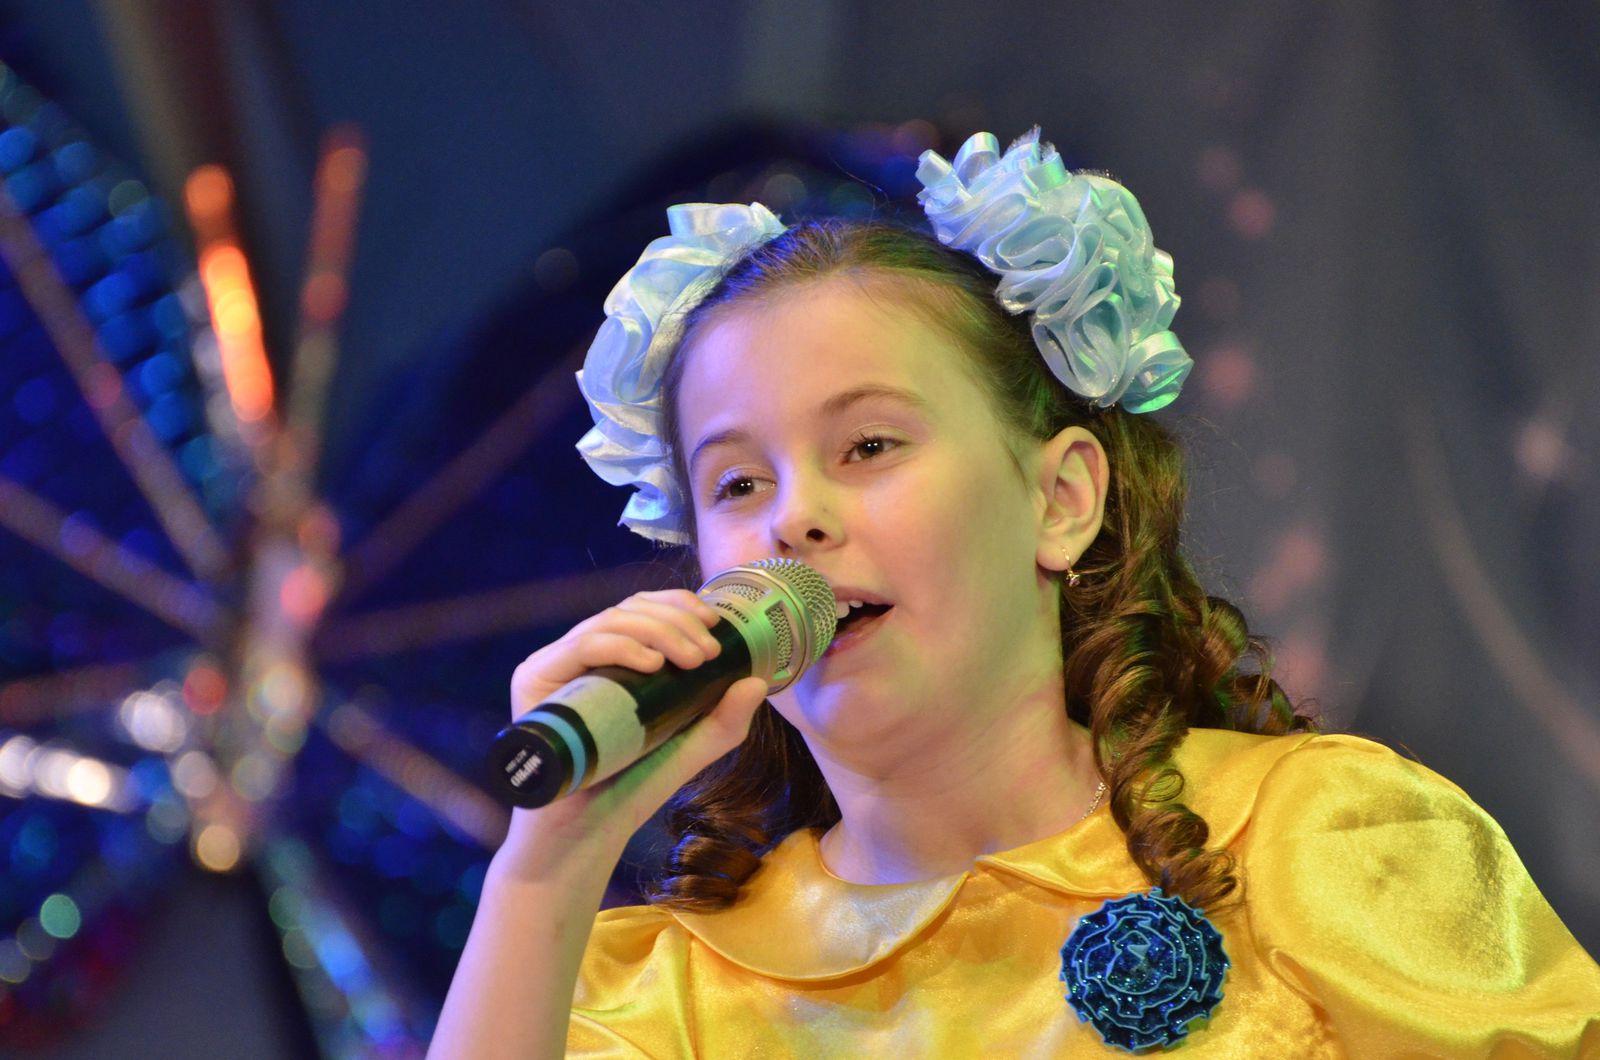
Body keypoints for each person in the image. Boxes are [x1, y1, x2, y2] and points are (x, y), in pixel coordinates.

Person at [430, 130, 1600, 1057]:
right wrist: (546, 871)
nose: (793, 519)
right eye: (737, 483)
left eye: (869, 445)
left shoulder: (1312, 836)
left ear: (1060, 499)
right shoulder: (666, 994)